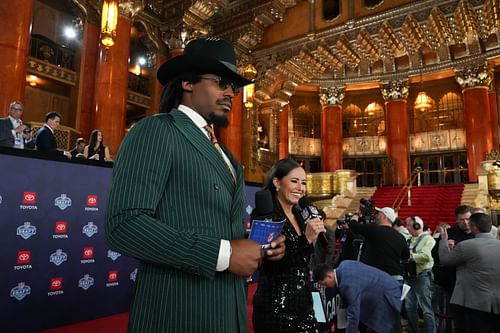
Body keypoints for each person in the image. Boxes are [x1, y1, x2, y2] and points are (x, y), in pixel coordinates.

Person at [105, 37, 285, 333]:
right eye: (221, 83)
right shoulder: (156, 130)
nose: (231, 94)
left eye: (234, 88)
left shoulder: (227, 155)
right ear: (188, 83)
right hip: (178, 313)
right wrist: (225, 255)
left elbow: (218, 228)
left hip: (229, 313)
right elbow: (124, 225)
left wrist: (259, 248)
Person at [252, 158, 325, 333]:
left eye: (304, 183)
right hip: (276, 308)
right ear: (277, 182)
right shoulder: (267, 214)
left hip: (304, 306)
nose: (300, 188)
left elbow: (303, 260)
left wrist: (311, 240)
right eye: (294, 181)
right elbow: (272, 267)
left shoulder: (300, 215)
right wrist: (306, 240)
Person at [438, 213, 500, 333]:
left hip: (475, 302)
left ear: (474, 227)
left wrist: (444, 242)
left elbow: (445, 260)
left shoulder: (466, 246)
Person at [314, 260, 402, 333]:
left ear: (329, 276)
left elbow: (353, 315)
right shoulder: (344, 264)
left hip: (386, 302)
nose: (326, 287)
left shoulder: (347, 285)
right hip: (387, 290)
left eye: (325, 283)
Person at [404, 216, 436, 333]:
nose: (406, 227)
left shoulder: (428, 239)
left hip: (422, 277)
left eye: (408, 224)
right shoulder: (409, 239)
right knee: (409, 307)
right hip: (409, 276)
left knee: (426, 309)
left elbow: (427, 256)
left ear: (416, 226)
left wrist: (412, 256)